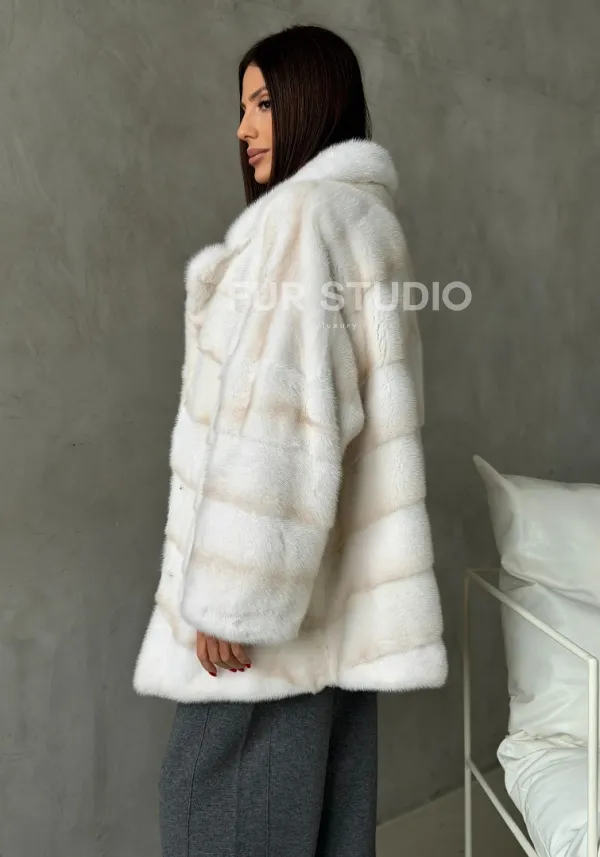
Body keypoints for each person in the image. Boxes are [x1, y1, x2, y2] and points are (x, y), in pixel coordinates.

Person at [134, 23, 447, 857]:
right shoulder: (366, 222)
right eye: (241, 108)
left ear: (315, 100)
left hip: (272, 601)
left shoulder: (303, 221)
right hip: (334, 596)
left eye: (264, 103)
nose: (243, 128)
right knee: (326, 825)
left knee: (215, 810)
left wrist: (230, 594)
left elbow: (287, 416)